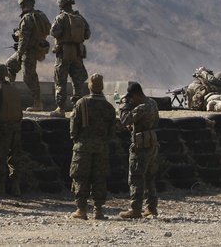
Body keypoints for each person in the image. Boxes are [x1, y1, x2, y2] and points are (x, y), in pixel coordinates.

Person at [68, 74, 117, 220]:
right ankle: (99, 210)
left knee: (81, 177)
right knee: (99, 178)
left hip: (83, 147)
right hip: (101, 147)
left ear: (89, 86)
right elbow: (112, 131)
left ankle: (81, 209)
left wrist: (78, 140)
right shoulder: (109, 107)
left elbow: (73, 127)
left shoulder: (81, 103)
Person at [118, 81, 159, 219]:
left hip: (141, 146)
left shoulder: (141, 108)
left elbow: (125, 120)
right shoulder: (152, 103)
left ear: (135, 95)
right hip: (152, 142)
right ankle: (151, 207)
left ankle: (135, 209)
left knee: (136, 177)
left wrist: (124, 106)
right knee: (150, 177)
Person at [5, 0, 51, 111]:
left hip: (28, 51)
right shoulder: (39, 15)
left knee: (29, 76)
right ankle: (9, 97)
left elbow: (23, 39)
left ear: (22, 4)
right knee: (10, 65)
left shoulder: (27, 18)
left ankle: (36, 103)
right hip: (35, 49)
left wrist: (19, 54)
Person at [0, 63, 25, 196]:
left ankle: (0, 186)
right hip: (16, 127)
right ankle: (16, 186)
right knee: (15, 157)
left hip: (2, 127)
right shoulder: (13, 88)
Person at [50, 0, 90, 115]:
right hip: (78, 53)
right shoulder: (81, 18)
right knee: (77, 82)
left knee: (60, 81)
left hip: (63, 53)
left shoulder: (61, 18)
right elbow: (87, 35)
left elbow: (54, 32)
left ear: (61, 3)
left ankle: (61, 108)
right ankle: (77, 109)